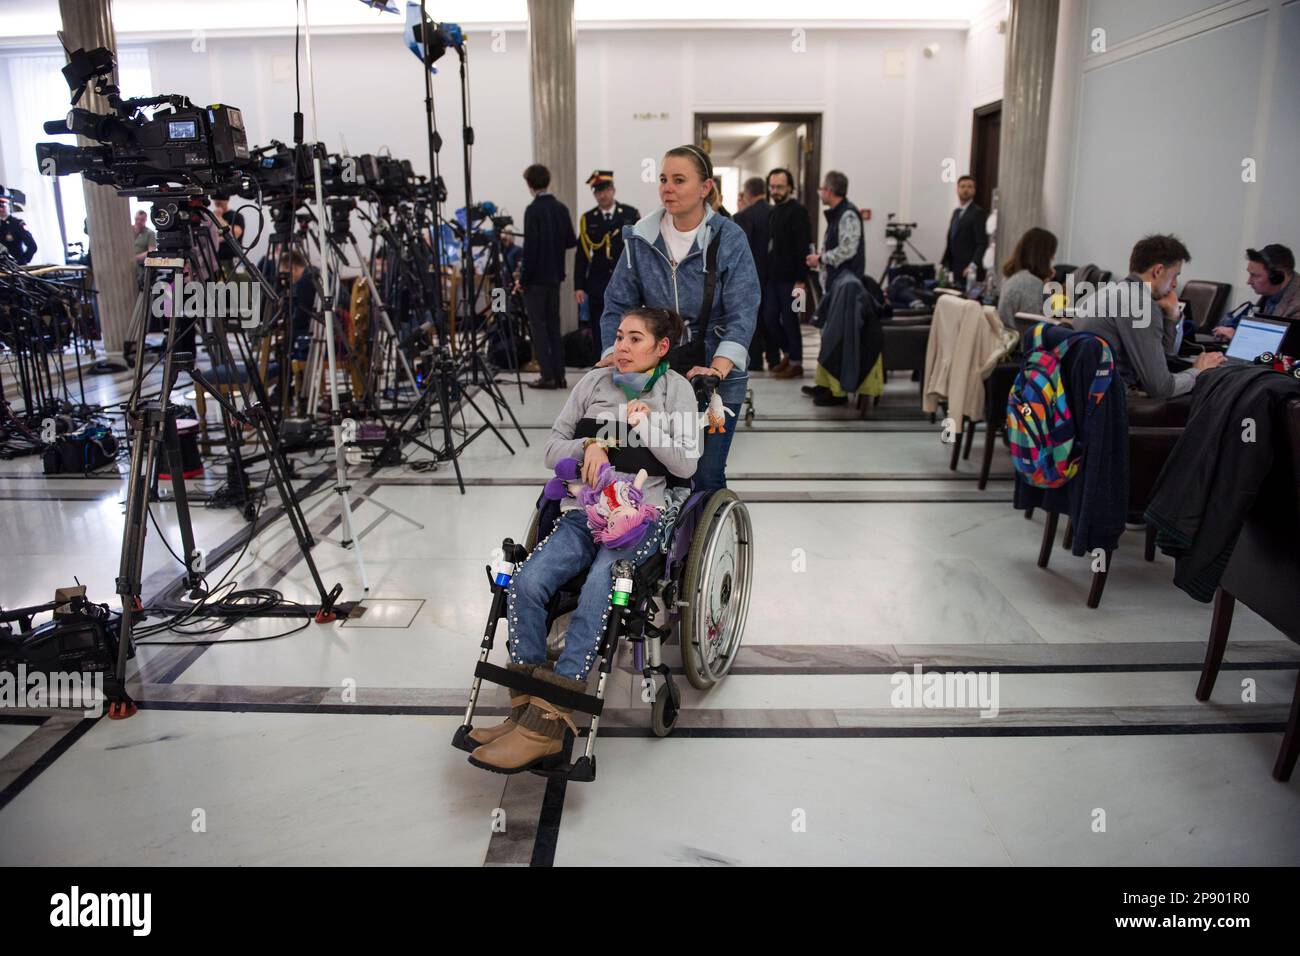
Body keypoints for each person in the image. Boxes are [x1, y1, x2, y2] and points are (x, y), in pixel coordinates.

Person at [468, 308, 701, 772]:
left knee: (599, 586)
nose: (622, 347)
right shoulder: (593, 385)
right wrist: (587, 447)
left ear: (661, 348)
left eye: (636, 339)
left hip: (641, 516)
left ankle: (549, 725)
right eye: (619, 337)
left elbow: (687, 466)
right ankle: (525, 710)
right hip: (584, 513)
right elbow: (552, 446)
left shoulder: (678, 391)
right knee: (527, 582)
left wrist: (646, 425)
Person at [596, 145, 760, 493]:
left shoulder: (729, 239)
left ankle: (705, 540)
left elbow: (743, 309)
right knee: (660, 466)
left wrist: (718, 367)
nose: (667, 188)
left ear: (705, 188)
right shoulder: (640, 239)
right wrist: (617, 349)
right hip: (659, 374)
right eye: (663, 179)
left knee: (705, 473)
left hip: (717, 379)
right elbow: (616, 303)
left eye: (679, 180)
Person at [1073, 234, 1224, 399]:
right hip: (1111, 402)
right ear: (1158, 271)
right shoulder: (1140, 305)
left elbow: (1163, 356)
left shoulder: (1105, 291)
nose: (1174, 284)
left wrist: (1172, 316)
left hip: (1082, 394)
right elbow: (1161, 388)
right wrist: (1199, 372)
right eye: (1175, 275)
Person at [521, 163, 578, 389]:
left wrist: (523, 279)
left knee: (539, 328)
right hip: (555, 277)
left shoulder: (532, 210)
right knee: (554, 326)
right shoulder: (561, 208)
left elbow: (530, 250)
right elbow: (570, 241)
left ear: (530, 184)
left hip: (535, 280)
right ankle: (560, 375)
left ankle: (548, 376)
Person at [574, 170, 639, 354]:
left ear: (613, 190)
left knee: (627, 325)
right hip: (598, 282)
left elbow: (639, 251)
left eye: (605, 190)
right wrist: (579, 286)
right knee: (598, 326)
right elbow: (582, 255)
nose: (602, 195)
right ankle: (601, 364)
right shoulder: (588, 219)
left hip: (625, 281)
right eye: (598, 191)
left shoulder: (629, 214)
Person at [764, 167, 811, 377]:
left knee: (792, 320)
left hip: (793, 280)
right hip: (773, 279)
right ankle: (789, 353)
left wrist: (801, 280)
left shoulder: (798, 211)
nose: (775, 191)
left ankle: (796, 361)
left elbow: (803, 247)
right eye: (772, 187)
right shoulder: (773, 211)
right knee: (770, 318)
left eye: (780, 187)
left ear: (790, 188)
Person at [733, 176, 776, 372]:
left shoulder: (743, 216)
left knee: (753, 318)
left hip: (750, 275)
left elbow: (740, 250)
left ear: (748, 193)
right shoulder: (774, 213)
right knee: (773, 317)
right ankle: (775, 358)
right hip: (773, 275)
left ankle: (756, 360)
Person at [1213, 244, 1299, 339]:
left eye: (1255, 275)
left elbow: (1287, 346)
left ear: (1276, 277)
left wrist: (1239, 337)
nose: (1248, 282)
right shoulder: (1270, 295)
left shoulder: (1296, 304)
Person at [804, 169, 864, 300]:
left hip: (844, 287)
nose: (820, 193)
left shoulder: (848, 215)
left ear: (829, 190)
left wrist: (820, 259)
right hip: (835, 285)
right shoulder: (837, 214)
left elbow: (847, 250)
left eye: (821, 189)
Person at [997, 227, 1057, 329]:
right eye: (1051, 254)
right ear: (1043, 256)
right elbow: (1036, 328)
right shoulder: (1030, 284)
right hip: (1022, 342)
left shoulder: (1010, 278)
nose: (1053, 258)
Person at [940, 175, 987, 282]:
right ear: (957, 190)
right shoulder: (956, 213)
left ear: (974, 191)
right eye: (962, 186)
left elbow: (982, 243)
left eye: (969, 187)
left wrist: (973, 265)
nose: (965, 189)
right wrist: (944, 263)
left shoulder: (978, 213)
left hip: (968, 270)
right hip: (954, 268)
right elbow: (951, 240)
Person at [211, 194, 245, 278]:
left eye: (220, 201)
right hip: (218, 260)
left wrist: (220, 219)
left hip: (234, 259)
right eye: (215, 201)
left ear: (227, 200)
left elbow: (236, 233)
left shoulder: (236, 216)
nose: (217, 203)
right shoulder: (212, 217)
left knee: (240, 283)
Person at [0, 194, 37, 265]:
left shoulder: (17, 224)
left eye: (2, 206)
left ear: (8, 206)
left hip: (17, 266)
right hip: (3, 267)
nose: (0, 209)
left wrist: (23, 261)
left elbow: (32, 246)